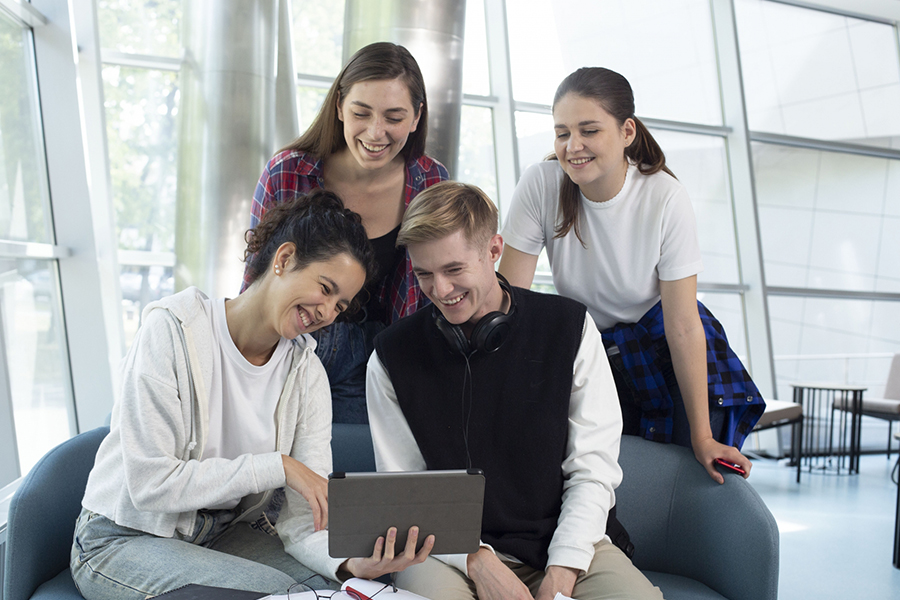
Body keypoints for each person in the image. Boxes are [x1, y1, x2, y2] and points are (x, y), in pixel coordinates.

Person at [71, 190, 433, 600]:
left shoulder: (306, 372)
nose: (328, 312)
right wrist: (277, 466)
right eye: (325, 287)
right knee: (286, 597)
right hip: (124, 538)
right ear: (283, 259)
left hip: (218, 535)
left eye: (340, 305)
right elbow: (151, 484)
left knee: (336, 591)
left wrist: (349, 564)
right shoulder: (172, 330)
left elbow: (300, 522)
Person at [366, 181, 662, 600]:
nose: (441, 291)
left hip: (563, 542)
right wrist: (475, 558)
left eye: (454, 270)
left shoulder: (569, 327)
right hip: (448, 549)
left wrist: (563, 568)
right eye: (424, 275)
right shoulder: (391, 356)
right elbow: (407, 489)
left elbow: (592, 469)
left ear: (493, 250)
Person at [498, 67, 764, 484]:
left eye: (589, 130)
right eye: (562, 132)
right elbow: (509, 302)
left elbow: (682, 324)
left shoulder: (664, 195)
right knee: (594, 473)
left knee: (681, 475)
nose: (573, 146)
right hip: (593, 346)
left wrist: (702, 436)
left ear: (626, 132)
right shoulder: (541, 183)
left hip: (666, 343)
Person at [244, 41, 449, 425]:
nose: (376, 132)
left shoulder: (431, 182)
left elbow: (434, 294)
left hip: (380, 363)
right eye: (361, 113)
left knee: (353, 474)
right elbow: (254, 284)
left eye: (394, 116)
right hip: (292, 349)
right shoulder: (287, 173)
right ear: (339, 106)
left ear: (417, 117)